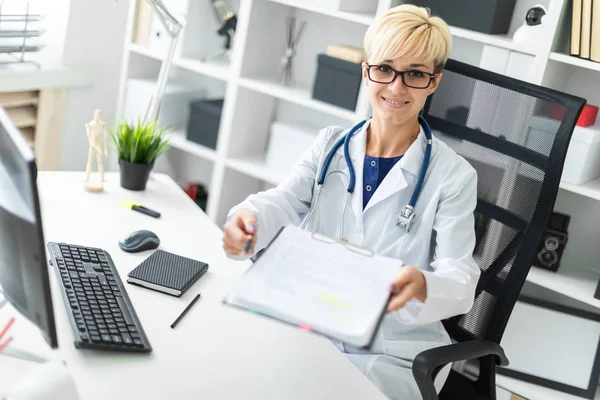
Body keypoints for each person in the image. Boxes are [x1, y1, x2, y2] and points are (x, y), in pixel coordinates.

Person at [222, 5, 480, 399]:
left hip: (390, 348)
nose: (396, 88)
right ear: (366, 71)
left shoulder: (453, 176)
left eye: (414, 74)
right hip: (313, 318)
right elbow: (284, 201)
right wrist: (247, 217)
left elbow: (460, 277)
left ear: (433, 82)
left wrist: (424, 284)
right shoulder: (330, 145)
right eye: (385, 69)